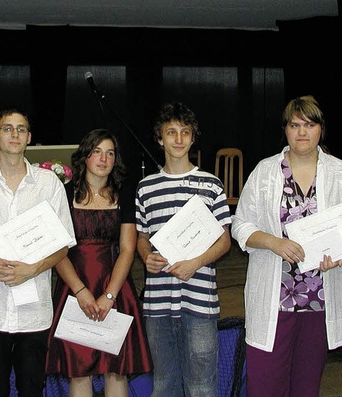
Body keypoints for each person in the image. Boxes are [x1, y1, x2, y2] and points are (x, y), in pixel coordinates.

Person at [231, 95, 342, 396]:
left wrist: (340, 252)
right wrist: (272, 242)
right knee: (265, 386)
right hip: (274, 298)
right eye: (295, 125)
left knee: (306, 388)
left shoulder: (341, 173)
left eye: (309, 125)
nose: (302, 132)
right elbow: (241, 224)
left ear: (321, 129)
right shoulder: (265, 172)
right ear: (285, 130)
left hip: (320, 298)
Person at [0, 107, 76, 397]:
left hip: (35, 312)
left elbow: (63, 245)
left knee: (32, 389)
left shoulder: (49, 185)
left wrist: (33, 269)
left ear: (29, 137)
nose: (14, 134)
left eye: (21, 129)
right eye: (7, 128)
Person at [135, 102, 232, 397]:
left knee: (202, 385)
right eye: (171, 132)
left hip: (200, 300)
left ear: (192, 138)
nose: (178, 139)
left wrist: (196, 262)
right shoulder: (145, 188)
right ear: (160, 138)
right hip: (158, 303)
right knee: (164, 383)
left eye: (185, 132)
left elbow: (225, 240)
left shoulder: (211, 184)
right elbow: (141, 236)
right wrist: (145, 256)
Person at [46, 129, 153, 396]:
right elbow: (57, 249)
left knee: (116, 371)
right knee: (79, 372)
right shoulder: (64, 194)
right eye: (97, 152)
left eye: (110, 153)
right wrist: (80, 292)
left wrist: (109, 295)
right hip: (74, 288)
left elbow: (128, 249)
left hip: (115, 289)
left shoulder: (124, 194)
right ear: (85, 156)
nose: (104, 159)